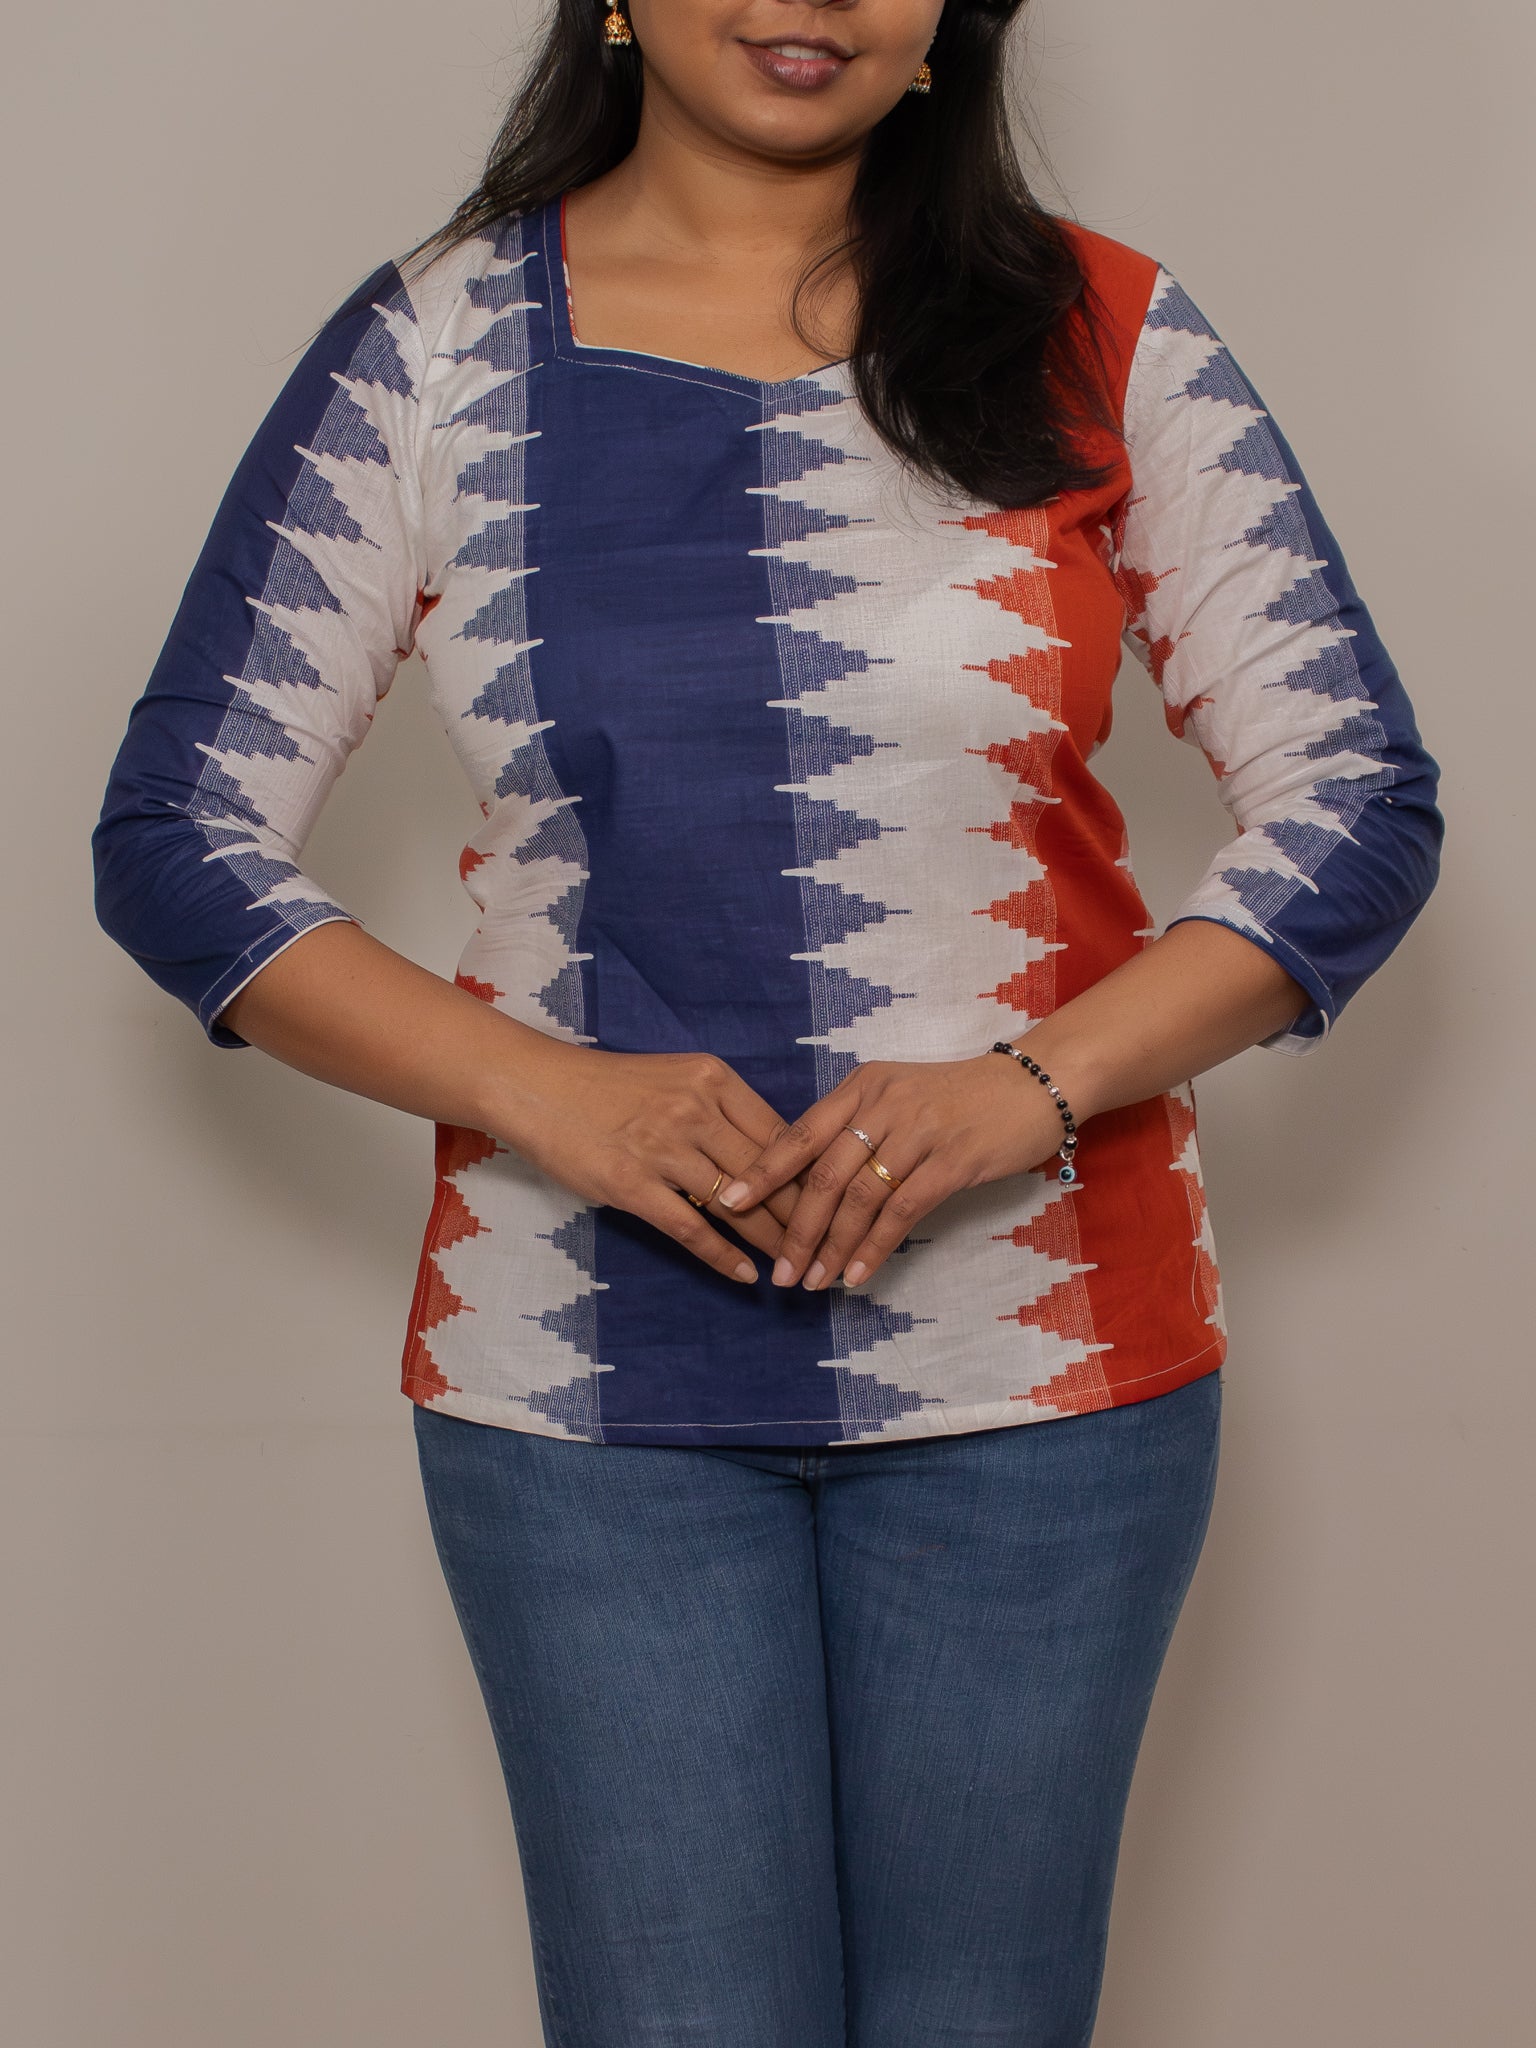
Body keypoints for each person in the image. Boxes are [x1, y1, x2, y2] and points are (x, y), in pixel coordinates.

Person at [91, 2, 1444, 2041]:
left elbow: (1356, 804)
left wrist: (1033, 1087)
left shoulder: (1101, 330)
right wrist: (547, 1094)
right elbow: (180, 837)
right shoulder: (435, 346)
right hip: (586, 1386)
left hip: (1045, 1373)